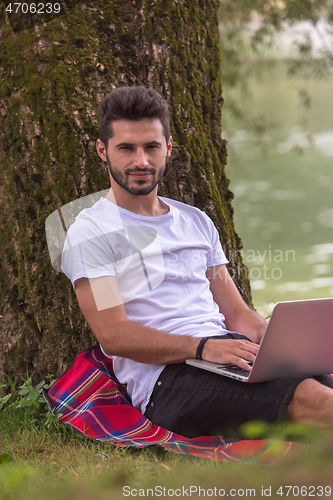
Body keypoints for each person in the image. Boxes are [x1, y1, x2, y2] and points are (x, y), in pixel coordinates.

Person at [62, 86, 333, 438]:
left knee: (320, 382)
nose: (141, 161)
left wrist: (276, 343)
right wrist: (204, 348)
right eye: (126, 148)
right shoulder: (91, 231)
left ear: (168, 147)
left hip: (227, 355)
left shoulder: (195, 221)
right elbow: (113, 336)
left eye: (151, 147)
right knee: (317, 401)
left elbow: (237, 314)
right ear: (103, 150)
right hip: (167, 381)